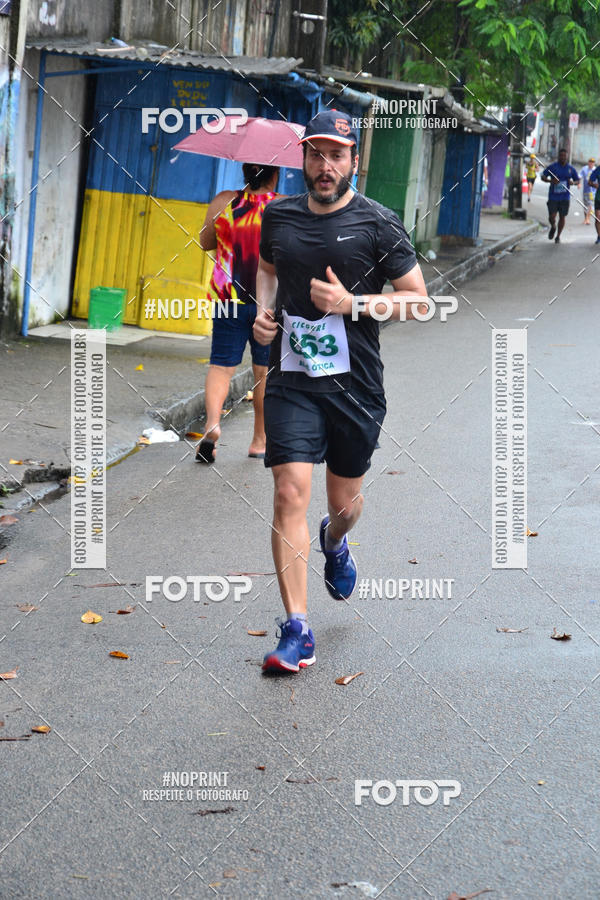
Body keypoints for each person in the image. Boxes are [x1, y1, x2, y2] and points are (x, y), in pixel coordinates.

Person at [253, 110, 429, 674]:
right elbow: (266, 270)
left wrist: (354, 304)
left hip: (355, 387)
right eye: (315, 154)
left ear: (355, 160)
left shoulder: (380, 223)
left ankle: (335, 541)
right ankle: (297, 629)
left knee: (343, 505)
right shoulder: (277, 216)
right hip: (293, 378)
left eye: (336, 155)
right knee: (289, 492)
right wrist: (263, 312)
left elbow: (418, 301)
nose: (324, 166)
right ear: (302, 158)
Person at [196, 163, 279, 463]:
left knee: (221, 366)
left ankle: (213, 425)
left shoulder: (223, 201)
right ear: (275, 174)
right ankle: (259, 441)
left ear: (245, 172)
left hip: (228, 297)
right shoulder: (283, 207)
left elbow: (206, 243)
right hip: (267, 304)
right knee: (263, 373)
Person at [541, 148, 580, 244]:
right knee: (552, 216)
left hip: (565, 197)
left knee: (562, 217)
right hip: (553, 196)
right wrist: (551, 181)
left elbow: (578, 180)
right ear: (558, 156)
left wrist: (573, 182)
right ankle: (553, 226)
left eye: (564, 156)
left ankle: (558, 236)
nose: (562, 157)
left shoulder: (570, 169)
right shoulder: (553, 167)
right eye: (561, 155)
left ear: (566, 157)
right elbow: (543, 176)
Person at [579, 157, 596, 225]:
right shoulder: (584, 169)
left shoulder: (595, 170)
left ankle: (587, 219)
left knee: (590, 205)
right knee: (585, 205)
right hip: (585, 191)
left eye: (592, 162)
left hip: (593, 191)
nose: (591, 163)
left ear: (594, 163)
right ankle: (586, 218)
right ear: (588, 162)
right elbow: (579, 176)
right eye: (590, 162)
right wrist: (579, 183)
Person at [588, 161, 600, 245]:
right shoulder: (597, 170)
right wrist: (594, 185)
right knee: (598, 219)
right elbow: (589, 182)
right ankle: (599, 236)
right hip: (598, 198)